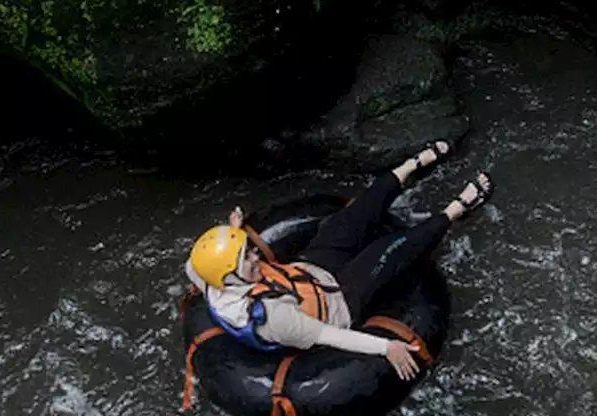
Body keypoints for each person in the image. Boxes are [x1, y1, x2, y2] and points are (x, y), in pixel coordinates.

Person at [184, 141, 492, 381]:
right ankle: (458, 209)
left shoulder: (209, 277)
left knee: (355, 215)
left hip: (307, 270)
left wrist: (235, 231)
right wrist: (388, 347)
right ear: (231, 280)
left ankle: (413, 163)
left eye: (249, 250)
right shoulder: (275, 318)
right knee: (390, 249)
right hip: (340, 304)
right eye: (247, 260)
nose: (255, 256)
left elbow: (194, 265)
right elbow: (330, 335)